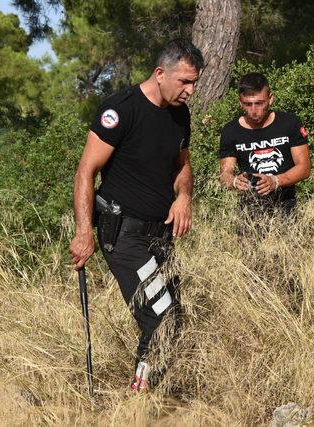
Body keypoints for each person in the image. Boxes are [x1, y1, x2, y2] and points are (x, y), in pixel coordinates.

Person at [68, 39, 203, 393]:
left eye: (194, 84)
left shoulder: (179, 113)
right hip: (124, 234)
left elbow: (182, 165)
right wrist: (84, 233)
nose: (190, 91)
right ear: (160, 73)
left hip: (162, 234)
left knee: (173, 316)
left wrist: (184, 197)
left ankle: (149, 391)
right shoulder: (121, 109)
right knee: (162, 316)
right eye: (184, 82)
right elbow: (86, 171)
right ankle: (141, 399)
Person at [219, 72, 311, 218]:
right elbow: (225, 174)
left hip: (285, 205)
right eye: (248, 104)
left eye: (259, 103)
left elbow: (304, 168)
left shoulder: (289, 123)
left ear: (270, 99)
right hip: (249, 209)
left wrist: (276, 181)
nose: (254, 111)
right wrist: (235, 181)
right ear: (240, 102)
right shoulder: (231, 130)